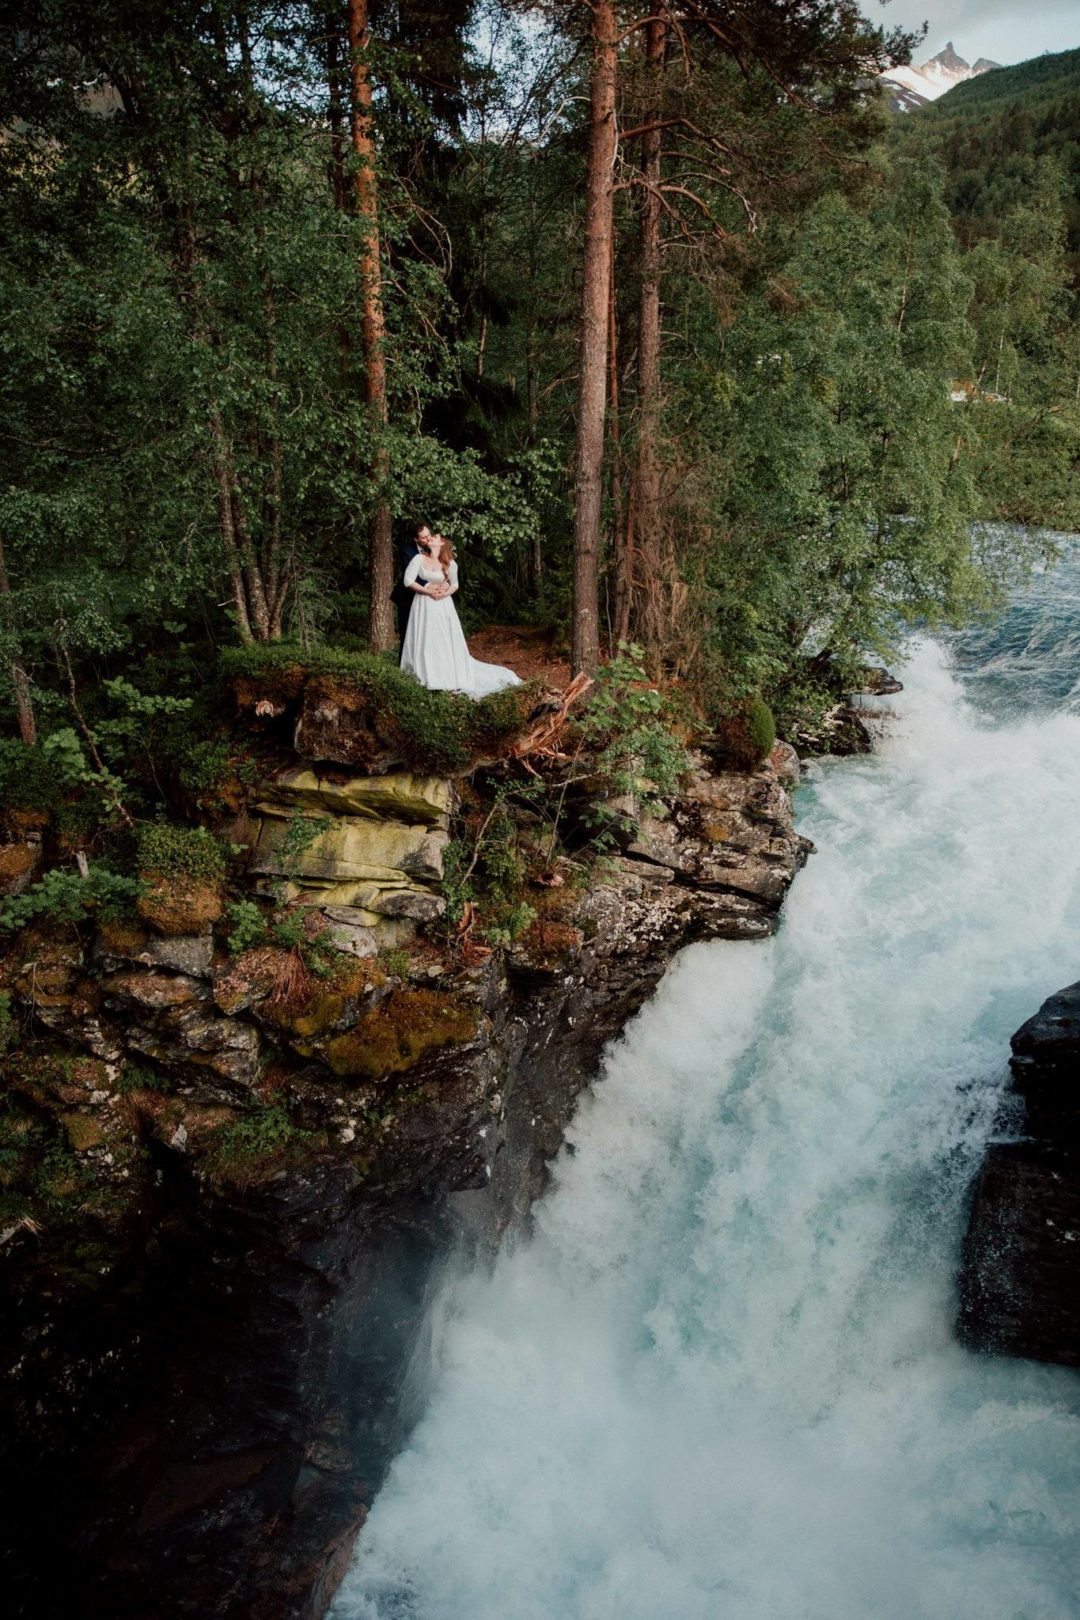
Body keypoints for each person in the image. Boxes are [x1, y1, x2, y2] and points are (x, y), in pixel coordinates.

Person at [399, 530, 521, 698]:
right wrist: (426, 590)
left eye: (434, 537)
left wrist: (444, 593)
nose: (430, 538)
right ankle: (426, 675)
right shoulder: (419, 559)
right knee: (426, 636)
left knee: (443, 637)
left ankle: (446, 675)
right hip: (423, 603)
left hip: (443, 604)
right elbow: (408, 581)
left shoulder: (450, 563)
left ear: (441, 543)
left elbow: (455, 585)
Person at [391, 522, 429, 654]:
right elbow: (412, 574)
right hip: (407, 597)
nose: (428, 539)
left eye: (428, 535)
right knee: (406, 631)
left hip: (427, 598)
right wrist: (430, 587)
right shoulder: (406, 550)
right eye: (424, 537)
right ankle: (403, 665)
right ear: (416, 539)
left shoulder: (433, 548)